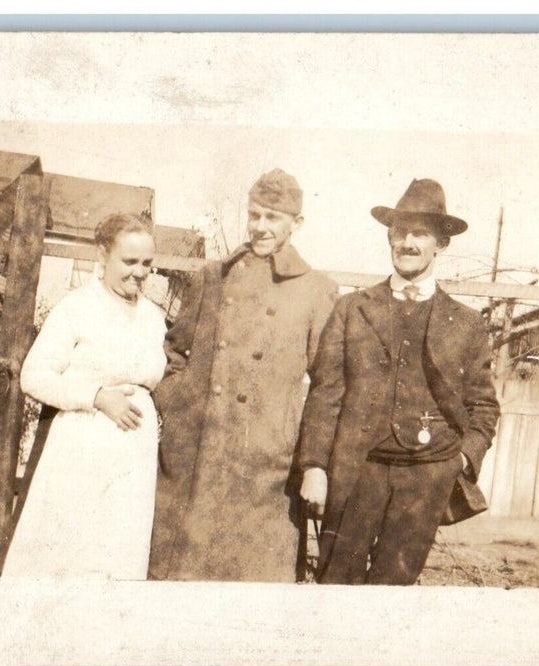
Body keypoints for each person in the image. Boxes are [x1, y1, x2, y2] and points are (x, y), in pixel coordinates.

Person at [296, 179, 500, 585]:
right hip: (357, 472)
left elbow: (484, 407)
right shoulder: (352, 310)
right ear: (390, 236)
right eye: (400, 232)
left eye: (420, 233)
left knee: (394, 590)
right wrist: (315, 466)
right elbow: (325, 394)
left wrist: (458, 462)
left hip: (425, 479)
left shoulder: (465, 323)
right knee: (336, 583)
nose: (407, 243)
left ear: (441, 243)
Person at [148, 169, 339, 582]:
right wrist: (178, 404)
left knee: (253, 586)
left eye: (273, 217)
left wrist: (309, 458)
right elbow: (174, 352)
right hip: (200, 453)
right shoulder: (214, 277)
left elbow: (328, 383)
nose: (260, 227)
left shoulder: (316, 290)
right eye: (255, 215)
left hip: (266, 464)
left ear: (296, 224)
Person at [1, 213, 166, 579]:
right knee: (68, 556)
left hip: (133, 460)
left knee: (118, 560)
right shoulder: (77, 307)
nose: (139, 273)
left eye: (147, 264)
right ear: (103, 255)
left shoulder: (153, 318)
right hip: (81, 451)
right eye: (129, 261)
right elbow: (34, 376)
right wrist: (96, 396)